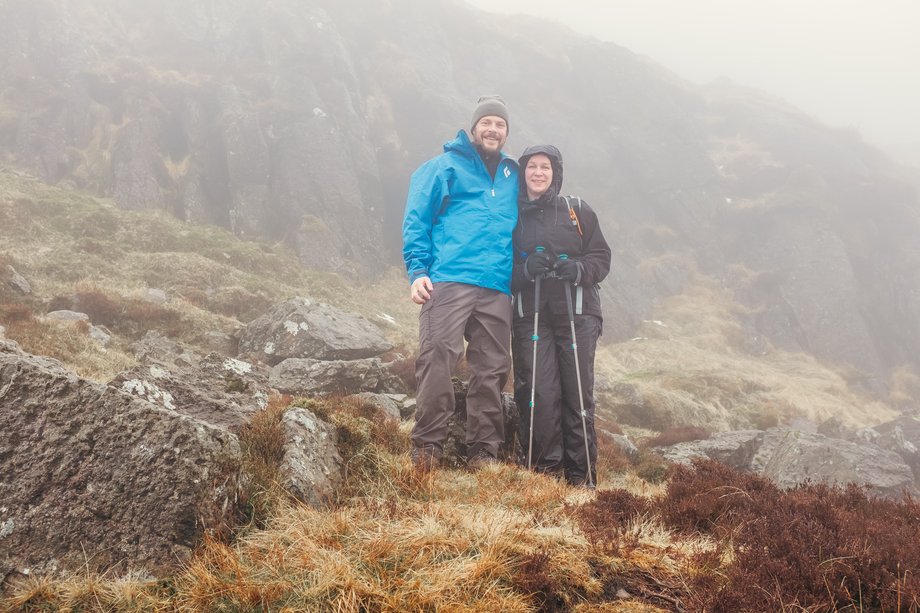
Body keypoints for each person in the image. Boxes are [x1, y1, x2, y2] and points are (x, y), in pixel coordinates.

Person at [402, 96, 519, 471]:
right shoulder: (443, 167)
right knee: (437, 355)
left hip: (497, 285)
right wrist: (418, 271)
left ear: (506, 132)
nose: (493, 129)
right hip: (450, 279)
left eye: (499, 125)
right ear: (473, 128)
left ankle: (483, 452)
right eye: (486, 122)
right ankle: (427, 447)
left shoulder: (511, 175)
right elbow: (416, 219)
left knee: (493, 368)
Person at [511, 145, 611, 487]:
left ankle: (582, 482)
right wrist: (525, 270)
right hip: (531, 315)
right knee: (538, 394)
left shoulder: (577, 210)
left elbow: (601, 257)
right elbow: (500, 269)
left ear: (556, 173)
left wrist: (579, 269)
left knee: (577, 393)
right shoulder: (513, 216)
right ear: (523, 172)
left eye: (545, 167)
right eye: (532, 167)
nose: (538, 173)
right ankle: (545, 480)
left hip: (577, 314)